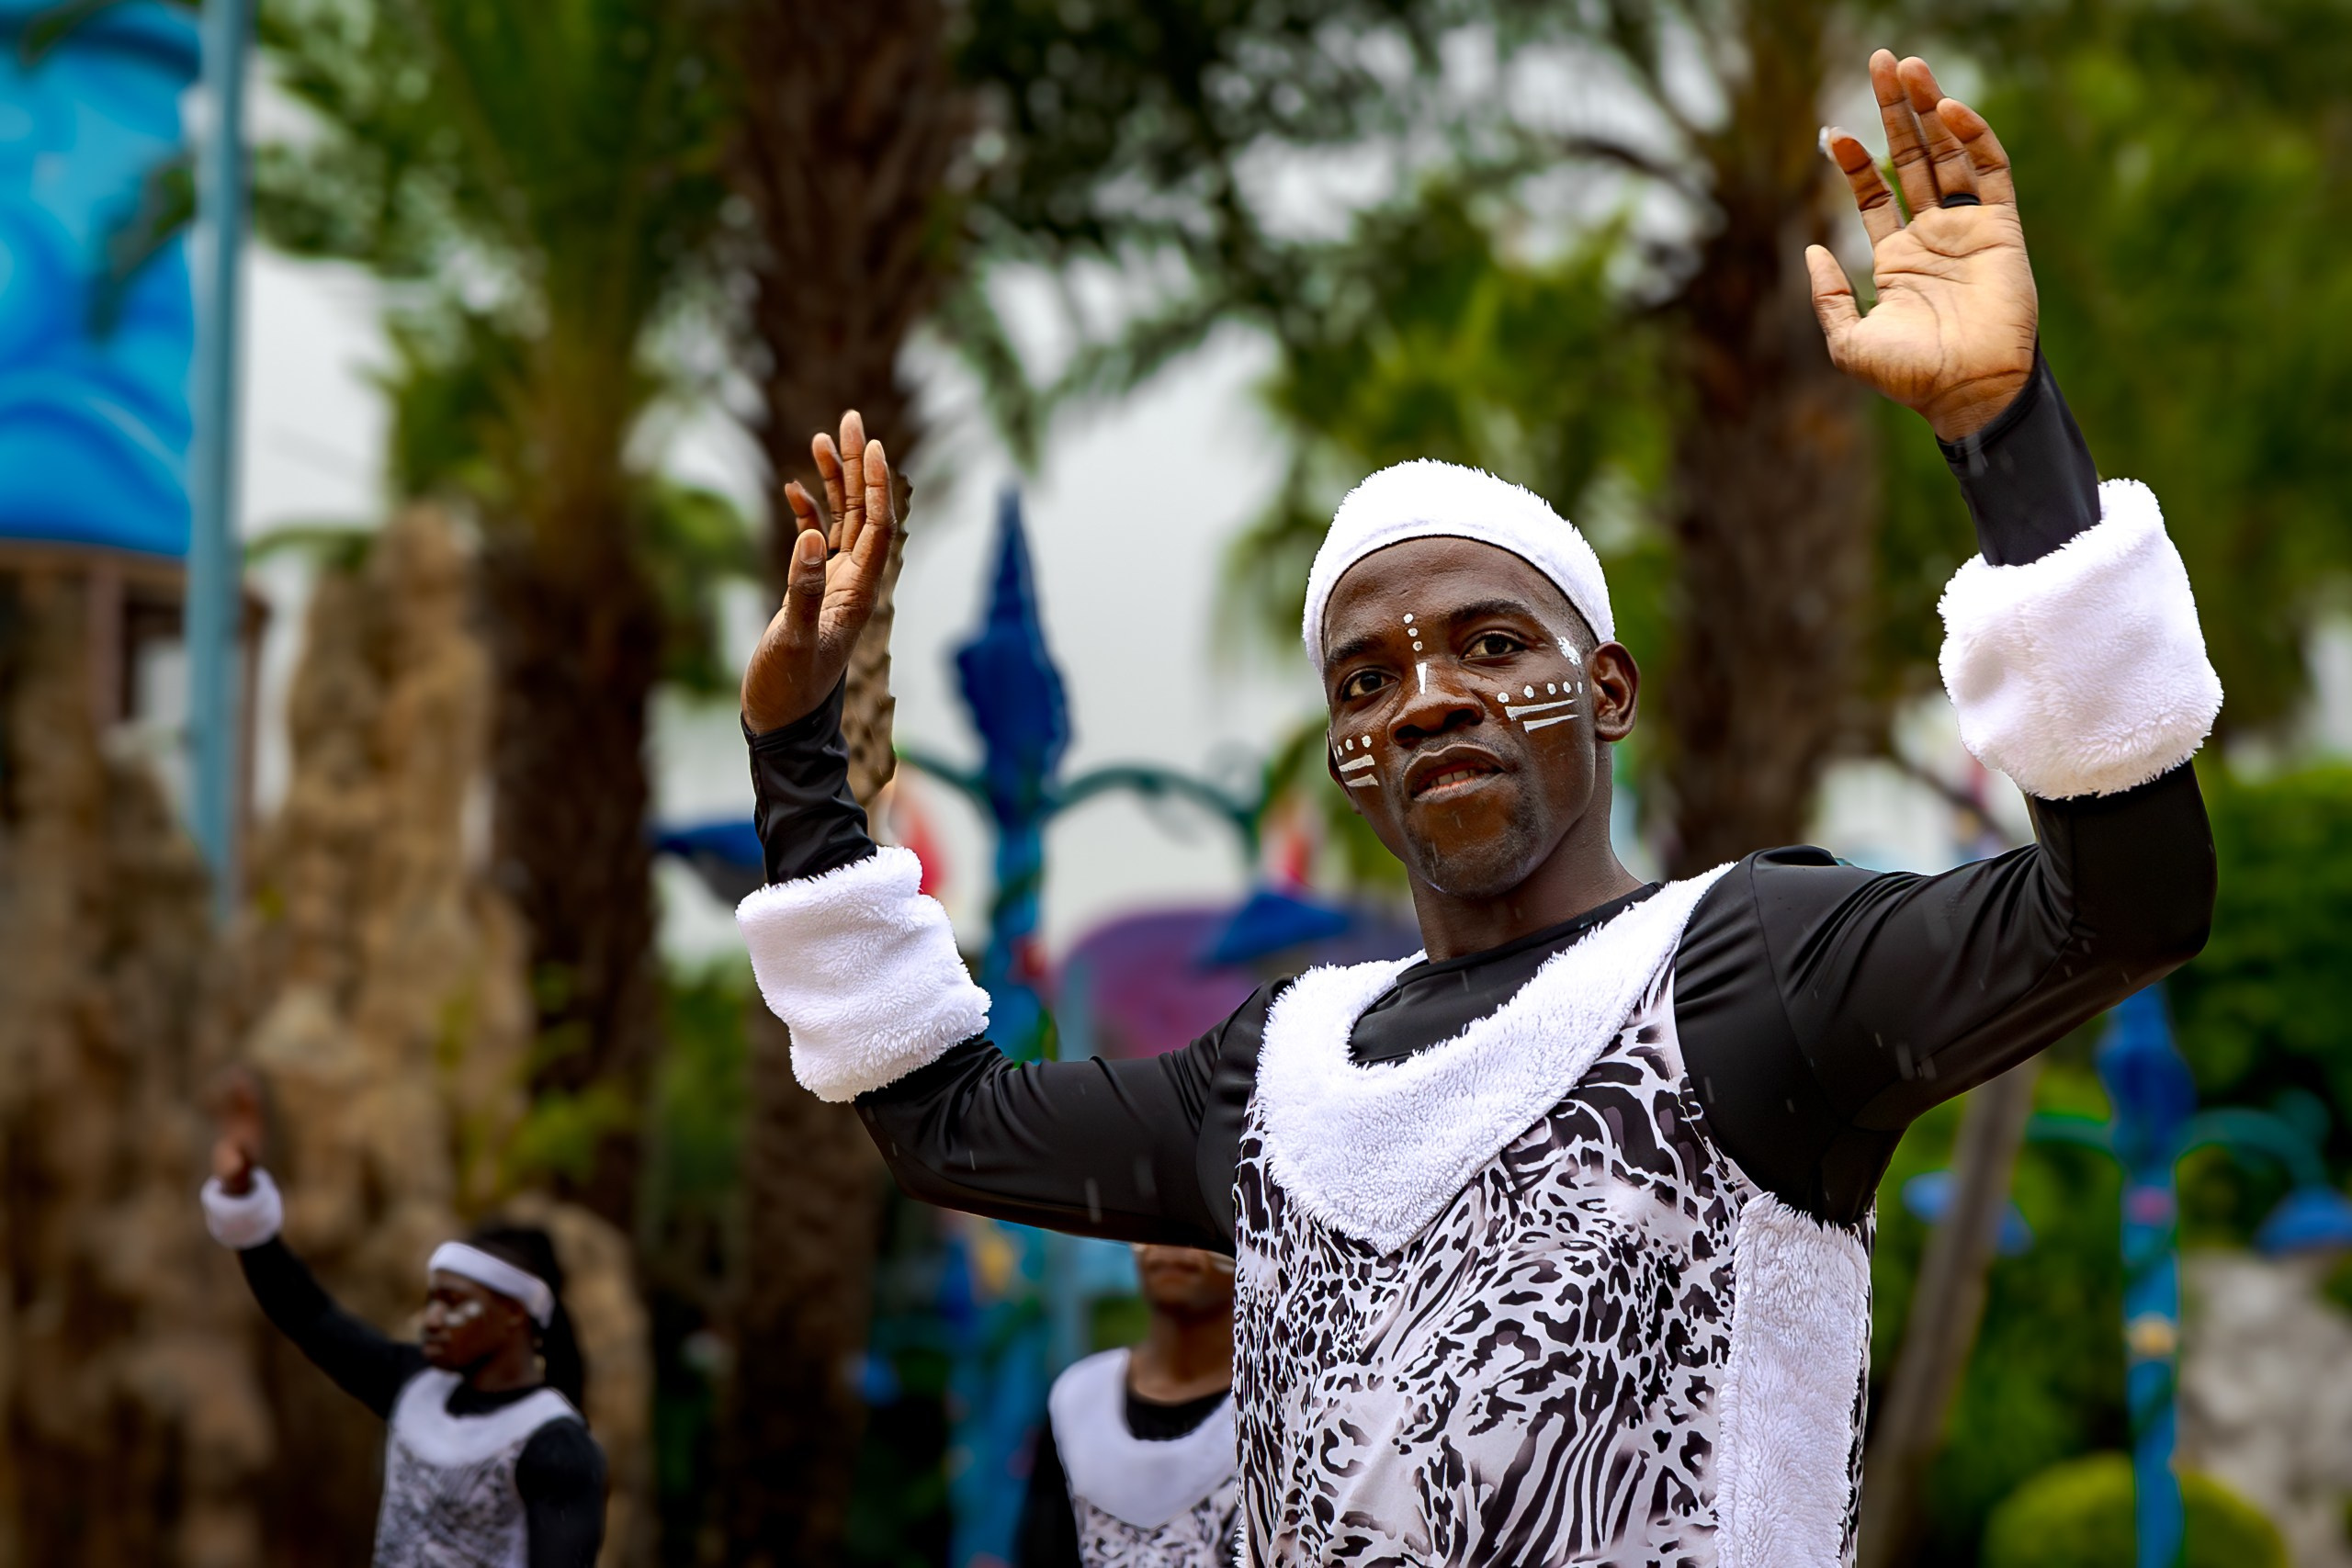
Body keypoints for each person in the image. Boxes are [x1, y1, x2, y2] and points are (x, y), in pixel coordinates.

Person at [734, 50, 2219, 1568]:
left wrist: (2009, 439)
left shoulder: (1750, 969)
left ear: (1612, 691)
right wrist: (796, 741)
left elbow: (2129, 902)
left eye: (1492, 644)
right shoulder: (1279, 1080)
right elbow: (940, 1117)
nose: (1425, 694)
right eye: (1366, 679)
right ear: (1342, 756)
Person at [200, 1075, 607, 1567]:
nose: (431, 1320)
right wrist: (242, 1195)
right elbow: (307, 1313)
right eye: (431, 1301)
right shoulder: (415, 1388)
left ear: (513, 1315)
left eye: (454, 1303)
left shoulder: (554, 1446)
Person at [1017, 1246, 1240, 1568]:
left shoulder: (1280, 1416)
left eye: (1196, 1221)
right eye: (1154, 1223)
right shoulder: (1079, 1400)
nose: (1170, 1244)